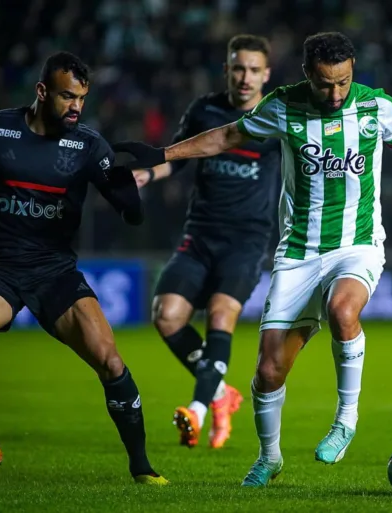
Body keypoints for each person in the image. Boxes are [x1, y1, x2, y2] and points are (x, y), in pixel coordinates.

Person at [112, 32, 392, 487]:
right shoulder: (283, 107)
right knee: (269, 371)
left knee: (342, 309)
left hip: (357, 243)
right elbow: (229, 135)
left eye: (344, 83)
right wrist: (163, 153)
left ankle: (345, 420)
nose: (335, 94)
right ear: (308, 73)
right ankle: (269, 458)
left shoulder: (376, 108)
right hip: (298, 254)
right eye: (326, 84)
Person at [0, 52, 168, 486]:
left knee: (111, 361)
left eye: (81, 98)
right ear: (41, 92)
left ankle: (142, 468)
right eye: (66, 96)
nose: (76, 107)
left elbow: (132, 216)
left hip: (55, 272)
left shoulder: (89, 145)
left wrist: (128, 180)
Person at [134, 34, 280, 449]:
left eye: (254, 69)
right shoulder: (205, 110)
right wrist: (146, 174)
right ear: (227, 70)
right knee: (166, 316)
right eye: (238, 68)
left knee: (220, 314)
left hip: (247, 241)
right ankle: (220, 392)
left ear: (266, 74)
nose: (245, 77)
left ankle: (197, 409)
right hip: (199, 234)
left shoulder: (277, 120)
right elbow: (177, 162)